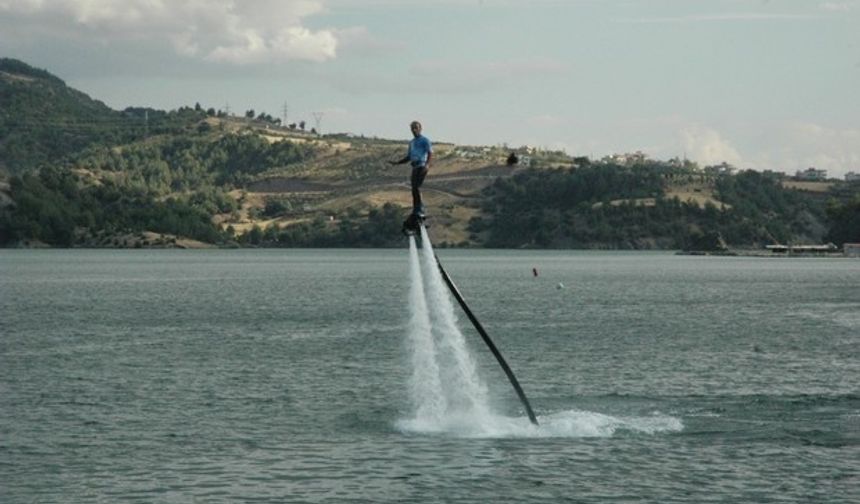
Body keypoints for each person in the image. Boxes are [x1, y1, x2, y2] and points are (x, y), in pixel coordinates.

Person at [391, 120, 432, 218]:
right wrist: (397, 163)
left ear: (420, 129)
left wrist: (427, 165)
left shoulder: (425, 140)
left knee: (417, 187)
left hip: (422, 165)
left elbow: (430, 153)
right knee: (413, 189)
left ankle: (420, 209)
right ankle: (416, 210)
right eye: (412, 128)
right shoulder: (412, 143)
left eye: (416, 128)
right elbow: (409, 157)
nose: (414, 130)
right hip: (414, 166)